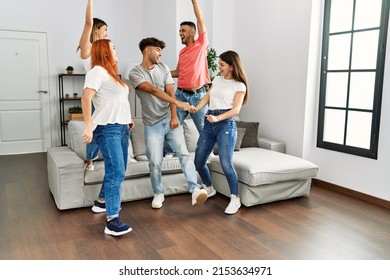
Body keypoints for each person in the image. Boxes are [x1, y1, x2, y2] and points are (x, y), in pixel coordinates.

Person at [128, 37, 208, 209]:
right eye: (158, 50)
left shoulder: (163, 68)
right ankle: (158, 193)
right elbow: (153, 90)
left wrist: (174, 116)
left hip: (168, 119)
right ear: (147, 50)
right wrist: (180, 104)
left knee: (184, 155)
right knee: (155, 161)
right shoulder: (135, 73)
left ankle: (194, 189)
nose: (160, 54)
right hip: (152, 124)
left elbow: (170, 91)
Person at [81, 39, 133, 236]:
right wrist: (88, 125)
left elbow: (116, 100)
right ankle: (112, 220)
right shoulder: (96, 72)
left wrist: (127, 119)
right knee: (116, 172)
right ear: (104, 51)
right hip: (107, 129)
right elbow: (86, 98)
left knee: (119, 169)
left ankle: (101, 202)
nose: (116, 50)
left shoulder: (111, 74)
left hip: (121, 127)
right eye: (113, 47)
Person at [192, 50, 249, 215]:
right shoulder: (217, 79)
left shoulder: (239, 85)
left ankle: (235, 198)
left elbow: (236, 109)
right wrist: (196, 108)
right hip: (210, 123)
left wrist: (218, 119)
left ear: (232, 66)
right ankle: (209, 188)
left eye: (222, 64)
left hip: (226, 125)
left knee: (226, 163)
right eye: (219, 64)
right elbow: (207, 97)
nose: (219, 67)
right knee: (199, 160)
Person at [166, 0, 211, 160]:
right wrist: (162, 72)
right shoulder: (182, 52)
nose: (180, 34)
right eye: (179, 31)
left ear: (192, 32)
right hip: (180, 95)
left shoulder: (201, 44)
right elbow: (178, 72)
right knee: (172, 125)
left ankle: (209, 154)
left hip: (198, 96)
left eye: (183, 31)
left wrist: (194, 2)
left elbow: (200, 19)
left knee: (204, 128)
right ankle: (169, 153)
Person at [77, 0, 108, 171]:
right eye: (104, 30)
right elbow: (88, 22)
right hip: (95, 97)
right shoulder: (87, 48)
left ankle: (124, 155)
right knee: (95, 130)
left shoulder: (102, 50)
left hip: (107, 95)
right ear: (97, 29)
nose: (106, 33)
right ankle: (90, 159)